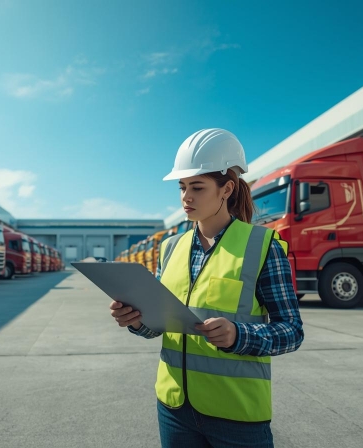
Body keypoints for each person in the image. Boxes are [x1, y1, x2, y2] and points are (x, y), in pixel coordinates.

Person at [109, 128, 303, 448]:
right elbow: (158, 326)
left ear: (226, 188)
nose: (186, 197)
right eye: (182, 187)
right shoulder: (170, 248)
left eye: (197, 187)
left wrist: (239, 336)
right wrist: (136, 320)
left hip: (236, 414)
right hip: (174, 408)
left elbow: (292, 331)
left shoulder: (262, 246)